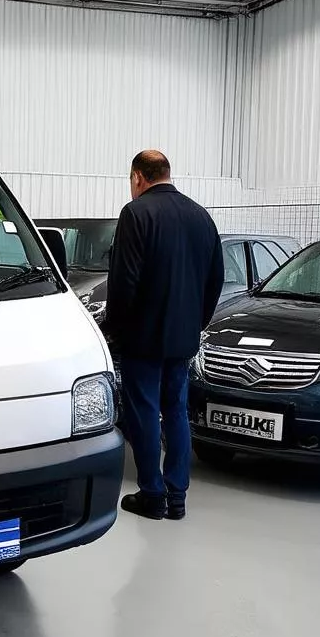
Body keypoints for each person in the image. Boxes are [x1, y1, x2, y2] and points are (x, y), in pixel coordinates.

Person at [105, 150, 224, 522]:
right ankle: (178, 497)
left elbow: (125, 282)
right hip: (182, 338)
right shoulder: (201, 216)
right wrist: (197, 322)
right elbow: (215, 277)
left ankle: (152, 495)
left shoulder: (136, 214)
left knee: (143, 413)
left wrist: (114, 330)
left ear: (138, 177)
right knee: (176, 410)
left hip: (143, 338)